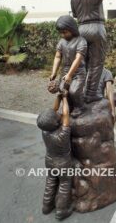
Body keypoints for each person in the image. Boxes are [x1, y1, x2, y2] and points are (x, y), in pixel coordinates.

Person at [37, 92, 74, 221]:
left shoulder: (45, 130)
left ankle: (46, 206)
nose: (58, 113)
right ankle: (61, 211)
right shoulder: (62, 135)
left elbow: (53, 112)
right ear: (56, 122)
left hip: (49, 161)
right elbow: (66, 114)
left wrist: (58, 97)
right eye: (57, 116)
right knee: (64, 185)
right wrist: (64, 98)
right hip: (63, 163)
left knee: (51, 181)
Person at [50, 15, 87, 118]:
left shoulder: (81, 41)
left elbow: (78, 59)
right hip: (65, 71)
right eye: (60, 32)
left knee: (74, 91)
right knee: (62, 90)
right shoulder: (61, 42)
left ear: (72, 29)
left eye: (65, 32)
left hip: (78, 72)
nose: (62, 35)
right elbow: (57, 57)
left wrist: (70, 75)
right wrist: (54, 72)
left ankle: (80, 107)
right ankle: (69, 106)